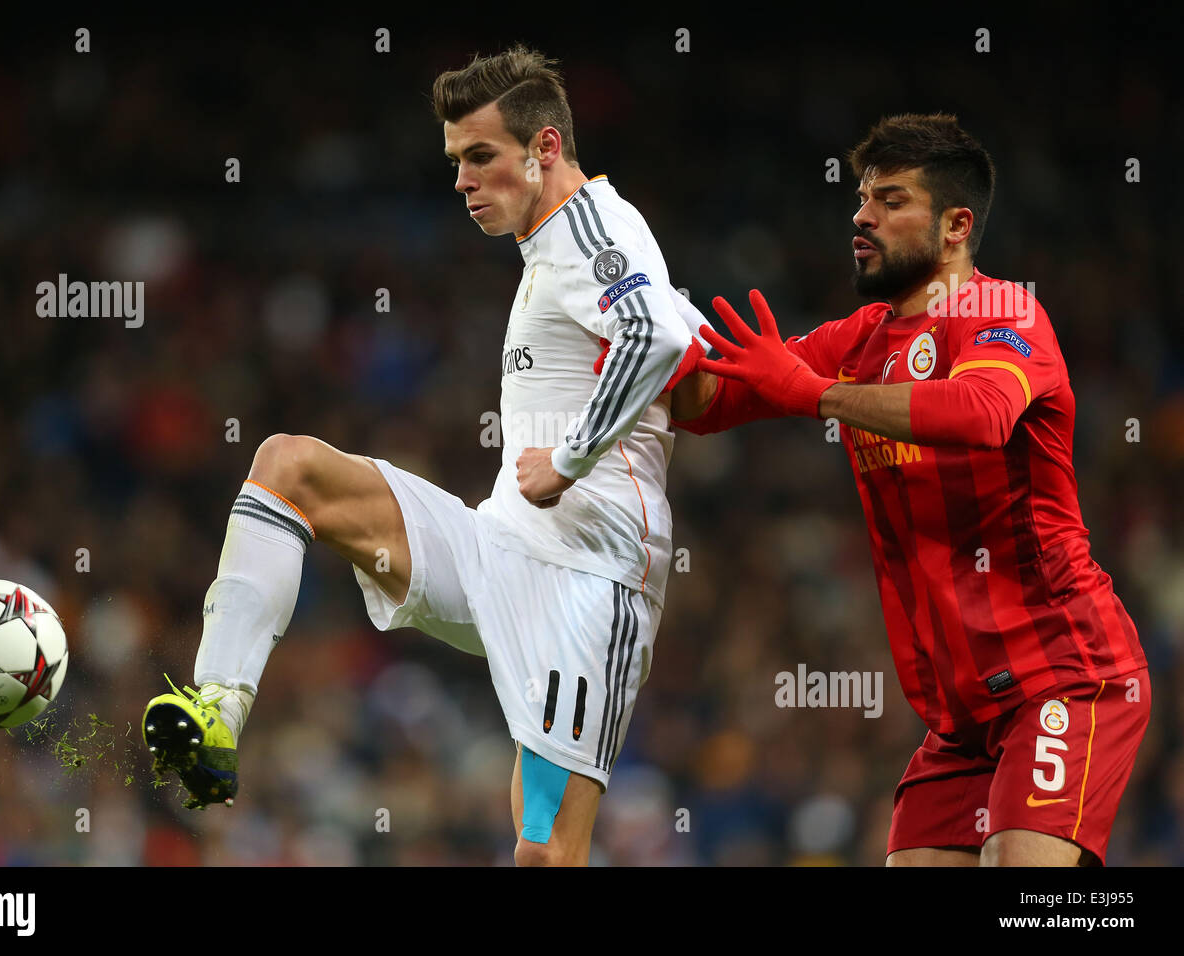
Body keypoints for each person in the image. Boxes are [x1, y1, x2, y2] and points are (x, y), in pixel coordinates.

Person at [140, 45, 706, 866]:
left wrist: (572, 457)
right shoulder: (556, 246)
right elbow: (679, 331)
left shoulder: (591, 225)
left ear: (545, 148)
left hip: (591, 581)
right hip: (500, 549)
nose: (462, 181)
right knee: (289, 467)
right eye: (455, 162)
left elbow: (652, 333)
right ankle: (218, 713)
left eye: (481, 157)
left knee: (546, 856)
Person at [668, 113, 1150, 866]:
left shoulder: (1001, 311)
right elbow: (704, 406)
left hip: (1063, 675)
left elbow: (984, 412)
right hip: (959, 718)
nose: (862, 215)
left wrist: (817, 396)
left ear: (956, 225)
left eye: (892, 200)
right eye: (863, 198)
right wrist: (645, 330)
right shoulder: (856, 340)